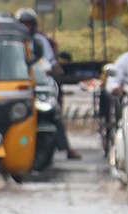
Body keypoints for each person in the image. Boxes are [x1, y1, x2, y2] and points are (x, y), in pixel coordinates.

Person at [15, 8, 80, 159]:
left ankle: (67, 148)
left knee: (54, 111)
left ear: (34, 25)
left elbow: (49, 61)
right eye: (23, 24)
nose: (26, 27)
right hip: (19, 84)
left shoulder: (40, 40)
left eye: (28, 24)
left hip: (39, 83)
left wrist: (53, 68)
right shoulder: (12, 40)